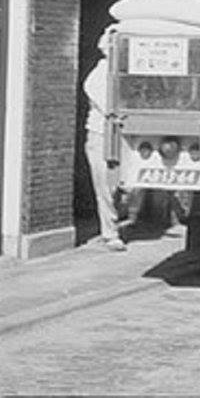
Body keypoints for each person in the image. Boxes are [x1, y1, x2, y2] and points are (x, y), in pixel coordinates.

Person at [83, 33, 127, 251]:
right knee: (105, 184)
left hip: (123, 134)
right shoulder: (99, 75)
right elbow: (109, 106)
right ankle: (110, 233)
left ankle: (114, 224)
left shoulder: (125, 73)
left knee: (122, 183)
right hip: (101, 133)